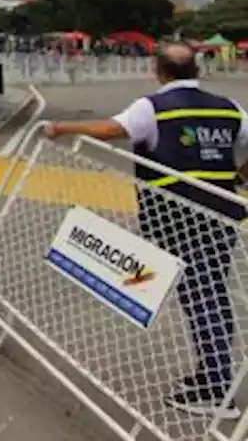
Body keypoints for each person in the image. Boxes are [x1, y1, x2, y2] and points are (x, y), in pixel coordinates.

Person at [46, 41, 248, 417]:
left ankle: (217, 388)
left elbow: (111, 129)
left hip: (178, 217)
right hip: (221, 215)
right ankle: (212, 374)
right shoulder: (229, 108)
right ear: (197, 71)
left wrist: (60, 127)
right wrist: (237, 177)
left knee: (202, 298)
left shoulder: (153, 108)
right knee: (207, 293)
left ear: (159, 71)